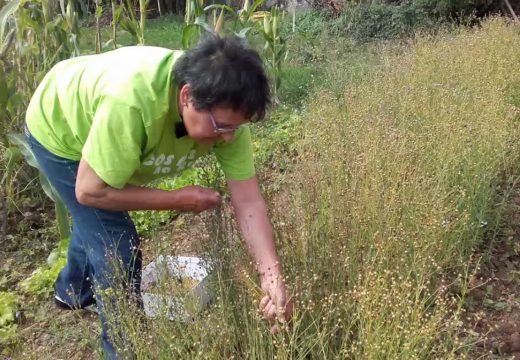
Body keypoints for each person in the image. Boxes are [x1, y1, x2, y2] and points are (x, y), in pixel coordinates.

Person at [25, 35, 292, 359]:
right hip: (59, 128)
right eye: (221, 127)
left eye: (236, 128)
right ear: (186, 96)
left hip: (98, 116)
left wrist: (272, 277)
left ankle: (72, 291)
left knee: (94, 223)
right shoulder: (134, 102)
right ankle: (122, 350)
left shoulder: (228, 112)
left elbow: (248, 201)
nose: (229, 137)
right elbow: (90, 190)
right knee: (115, 243)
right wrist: (177, 199)